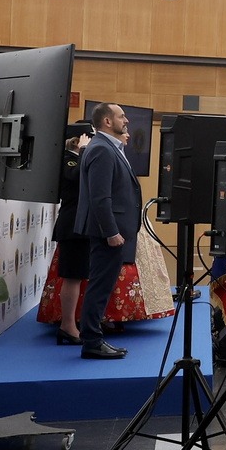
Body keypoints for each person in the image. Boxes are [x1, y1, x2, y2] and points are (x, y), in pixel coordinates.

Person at [75, 102, 139, 359]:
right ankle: (91, 341)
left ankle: (93, 338)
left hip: (112, 231)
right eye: (122, 116)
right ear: (107, 122)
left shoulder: (110, 147)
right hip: (107, 233)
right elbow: (100, 198)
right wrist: (111, 232)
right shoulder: (101, 149)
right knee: (100, 286)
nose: (127, 121)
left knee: (102, 286)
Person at [47, 123, 93, 345]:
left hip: (82, 227)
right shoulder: (67, 158)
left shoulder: (77, 156)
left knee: (80, 275)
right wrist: (84, 152)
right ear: (78, 140)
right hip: (72, 226)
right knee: (73, 277)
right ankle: (67, 326)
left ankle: (74, 323)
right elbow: (76, 176)